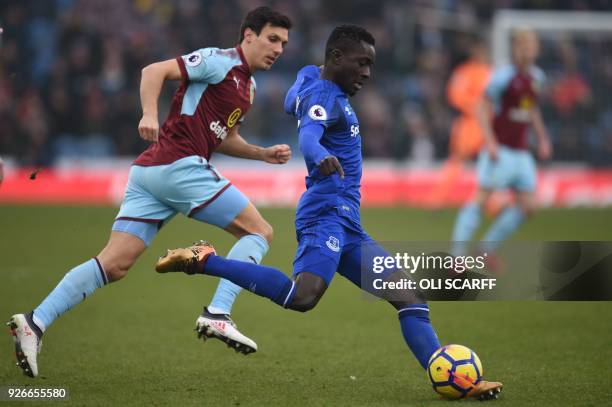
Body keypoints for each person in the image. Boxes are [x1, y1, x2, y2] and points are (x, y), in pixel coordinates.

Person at [157, 24, 502, 401]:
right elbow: (308, 135)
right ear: (337, 58)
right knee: (302, 297)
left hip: (347, 221)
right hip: (325, 215)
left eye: (371, 65)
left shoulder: (312, 80)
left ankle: (449, 377)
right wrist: (319, 154)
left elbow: (294, 104)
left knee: (409, 296)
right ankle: (204, 260)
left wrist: (307, 92)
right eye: (362, 64)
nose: (367, 73)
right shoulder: (326, 94)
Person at [8, 6, 292, 378]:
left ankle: (35, 322)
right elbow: (153, 71)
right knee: (260, 232)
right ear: (249, 35)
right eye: (272, 39)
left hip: (151, 172)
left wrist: (260, 153)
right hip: (179, 165)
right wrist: (148, 114)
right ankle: (218, 313)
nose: (279, 49)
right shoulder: (218, 60)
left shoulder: (248, 88)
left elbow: (222, 136)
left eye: (284, 44)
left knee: (114, 264)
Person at [451, 29, 552, 264]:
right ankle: (456, 257)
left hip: (521, 152)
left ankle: (485, 249)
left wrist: (543, 138)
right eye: (522, 46)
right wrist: (491, 142)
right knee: (481, 198)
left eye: (530, 46)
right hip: (500, 150)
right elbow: (481, 108)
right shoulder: (503, 76)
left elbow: (530, 108)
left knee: (528, 206)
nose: (527, 50)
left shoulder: (537, 77)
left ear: (536, 49)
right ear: (515, 49)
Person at [428, 39, 491, 209]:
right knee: (457, 160)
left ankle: (492, 202)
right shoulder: (464, 72)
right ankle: (438, 200)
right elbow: (455, 95)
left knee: (493, 161)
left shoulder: (491, 72)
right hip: (470, 123)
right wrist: (474, 107)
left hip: (490, 125)